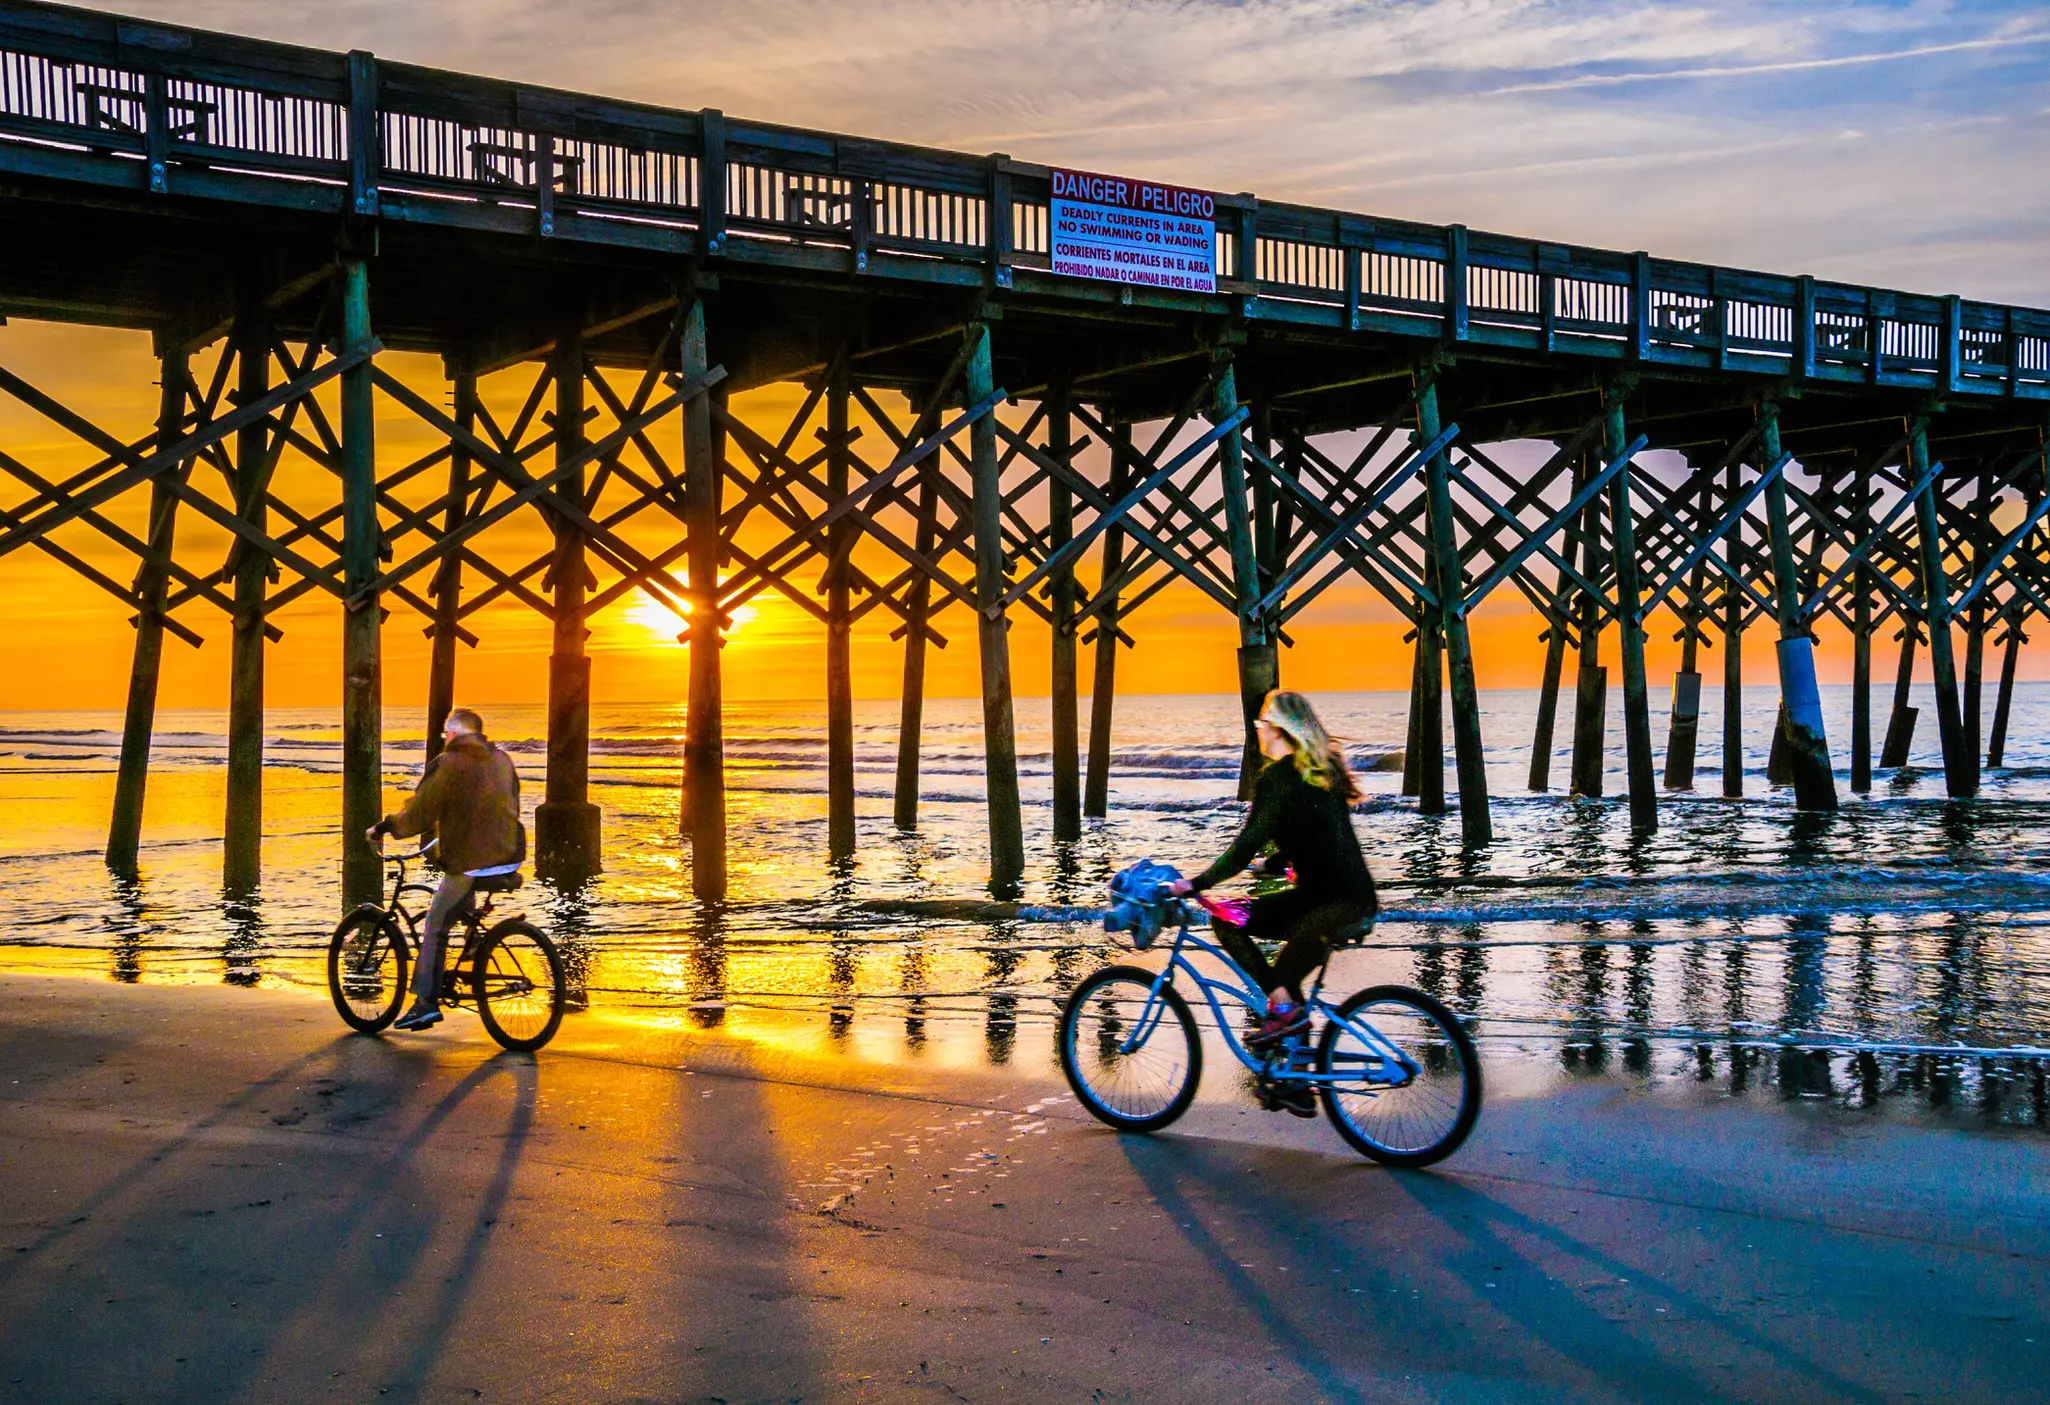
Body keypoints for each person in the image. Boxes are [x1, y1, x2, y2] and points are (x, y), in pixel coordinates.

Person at [1167, 690, 1377, 1109]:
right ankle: (1295, 1081)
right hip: (1351, 899)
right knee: (1278, 974)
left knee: (1239, 935)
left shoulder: (1279, 778)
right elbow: (1319, 836)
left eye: (1263, 724)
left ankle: (1283, 1020)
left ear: (1278, 731)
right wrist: (1276, 862)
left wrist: (1196, 882)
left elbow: (1244, 846)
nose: (1258, 730)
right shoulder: (1322, 772)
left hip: (1324, 907)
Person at [365, 707, 523, 1031]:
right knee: (459, 901)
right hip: (509, 855)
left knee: (435, 921)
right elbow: (506, 803)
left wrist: (385, 827)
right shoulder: (501, 760)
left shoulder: (451, 765)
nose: (445, 738)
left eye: (446, 732)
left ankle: (425, 1003)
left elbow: (420, 812)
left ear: (454, 732)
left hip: (474, 861)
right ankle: (476, 948)